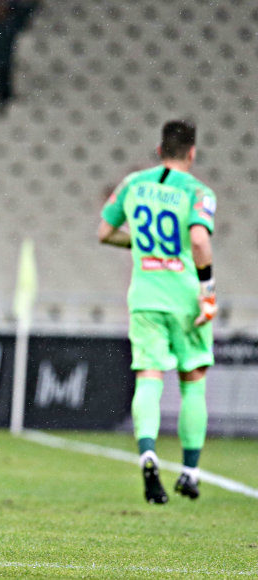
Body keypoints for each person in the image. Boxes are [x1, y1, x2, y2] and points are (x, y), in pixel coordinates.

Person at [98, 120, 217, 504]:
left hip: (145, 296)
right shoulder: (198, 192)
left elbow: (105, 232)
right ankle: (190, 472)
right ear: (192, 153)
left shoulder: (133, 183)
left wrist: (142, 245)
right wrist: (208, 290)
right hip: (185, 297)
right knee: (192, 380)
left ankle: (148, 454)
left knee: (149, 378)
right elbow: (199, 239)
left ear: (159, 149)